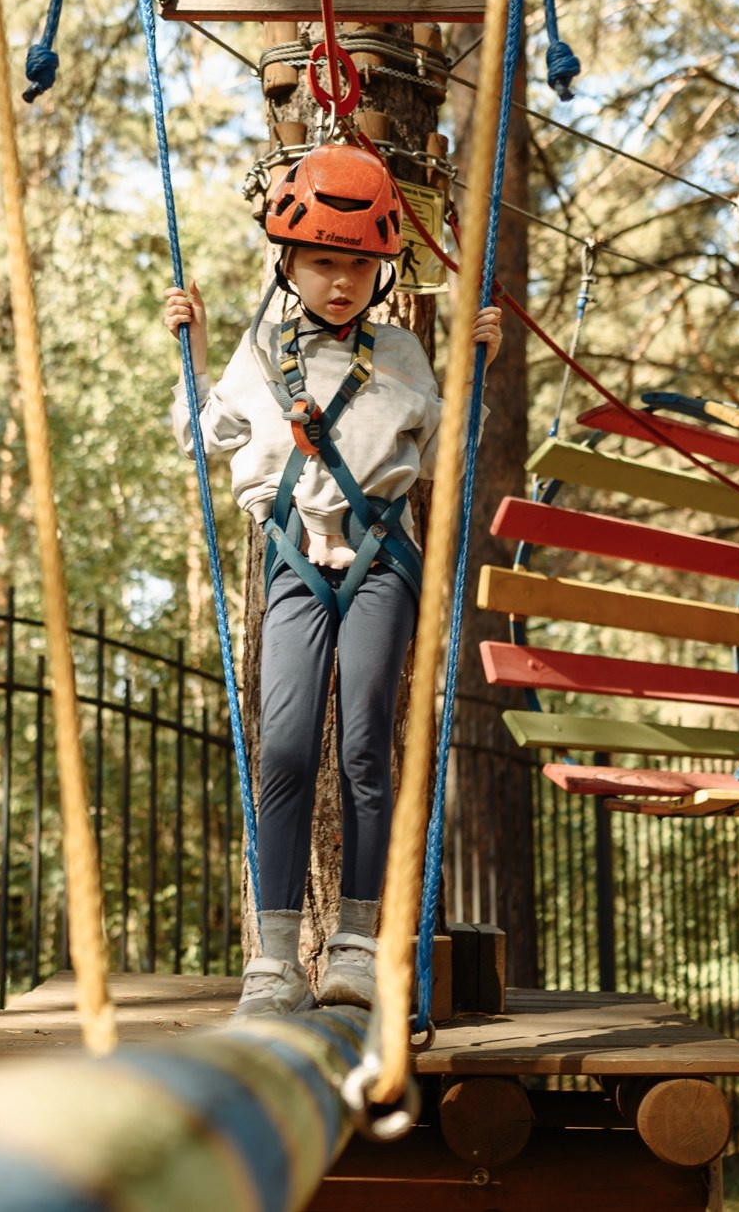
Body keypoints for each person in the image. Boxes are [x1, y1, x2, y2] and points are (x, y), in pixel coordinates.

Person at [165, 142, 500, 1018]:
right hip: (292, 563)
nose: (341, 282)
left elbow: (443, 459)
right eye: (322, 263)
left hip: (379, 559)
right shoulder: (259, 352)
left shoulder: (402, 356)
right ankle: (274, 962)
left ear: (379, 270)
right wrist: (192, 351)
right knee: (283, 752)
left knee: (362, 752)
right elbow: (205, 434)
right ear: (292, 265)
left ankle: (354, 947)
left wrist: (476, 370)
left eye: (357, 265)